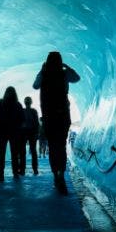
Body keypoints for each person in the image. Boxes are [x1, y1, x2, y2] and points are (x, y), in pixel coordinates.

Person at [33, 51, 80, 194]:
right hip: (63, 116)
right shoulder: (64, 73)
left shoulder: (44, 75)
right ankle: (61, 175)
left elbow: (35, 86)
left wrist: (42, 71)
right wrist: (67, 66)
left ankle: (56, 175)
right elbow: (77, 78)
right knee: (60, 145)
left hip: (49, 117)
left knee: (53, 147)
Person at [0, 87, 24, 181]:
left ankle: (0, 174)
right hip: (14, 132)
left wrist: (1, 119)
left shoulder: (1, 102)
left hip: (2, 131)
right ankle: (15, 173)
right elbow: (22, 118)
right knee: (14, 153)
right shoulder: (17, 104)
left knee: (1, 154)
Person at [19, 96, 40, 176]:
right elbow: (37, 123)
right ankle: (35, 169)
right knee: (33, 151)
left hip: (24, 132)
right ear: (31, 103)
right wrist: (37, 133)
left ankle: (22, 170)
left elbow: (19, 122)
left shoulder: (22, 111)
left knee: (22, 152)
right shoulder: (33, 111)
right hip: (32, 132)